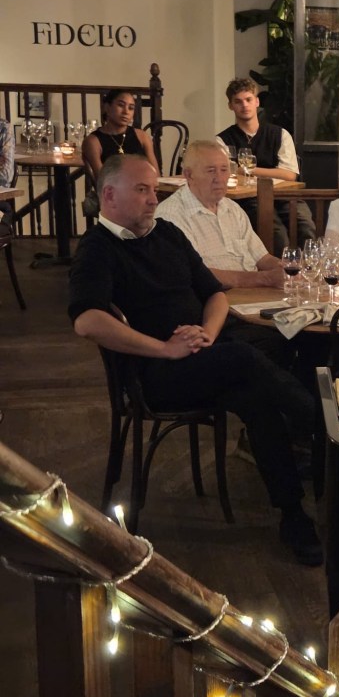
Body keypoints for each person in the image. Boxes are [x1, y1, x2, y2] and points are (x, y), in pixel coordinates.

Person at [68, 153, 322, 566]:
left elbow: (214, 294)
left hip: (200, 357)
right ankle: (325, 430)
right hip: (153, 375)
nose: (154, 199)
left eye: (154, 190)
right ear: (109, 195)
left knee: (257, 395)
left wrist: (207, 334)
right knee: (245, 356)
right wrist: (165, 348)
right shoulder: (97, 248)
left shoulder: (167, 233)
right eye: (142, 190)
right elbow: (87, 321)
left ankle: (293, 515)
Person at [155, 140, 292, 370]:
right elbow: (199, 276)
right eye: (211, 171)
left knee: (308, 332)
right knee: (283, 339)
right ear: (188, 175)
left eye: (224, 169)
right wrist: (265, 279)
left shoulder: (232, 208)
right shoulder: (171, 217)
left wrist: (287, 268)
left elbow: (262, 258)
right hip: (214, 312)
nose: (220, 178)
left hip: (254, 302)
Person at [216, 77, 315, 255]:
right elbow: (227, 173)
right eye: (238, 101)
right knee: (277, 234)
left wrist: (248, 170)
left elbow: (290, 175)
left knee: (305, 225)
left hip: (284, 195)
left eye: (248, 100)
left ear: (257, 102)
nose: (244, 105)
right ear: (230, 106)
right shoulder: (222, 140)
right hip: (249, 198)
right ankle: (282, 270)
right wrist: (270, 172)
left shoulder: (280, 134)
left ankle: (310, 268)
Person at [81, 89, 159, 183]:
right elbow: (102, 181)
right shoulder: (93, 141)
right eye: (121, 105)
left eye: (131, 108)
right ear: (107, 107)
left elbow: (156, 174)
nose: (126, 112)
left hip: (144, 187)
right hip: (113, 190)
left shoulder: (142, 136)